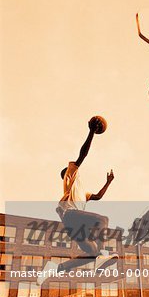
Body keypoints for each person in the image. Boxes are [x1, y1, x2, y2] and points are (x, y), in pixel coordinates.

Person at [37, 116, 118, 286]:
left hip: (75, 224)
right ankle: (102, 256)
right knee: (102, 220)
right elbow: (83, 154)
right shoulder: (70, 176)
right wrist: (91, 132)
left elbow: (97, 196)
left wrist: (108, 182)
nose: (74, 168)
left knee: (92, 252)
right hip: (71, 215)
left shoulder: (82, 192)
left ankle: (55, 268)